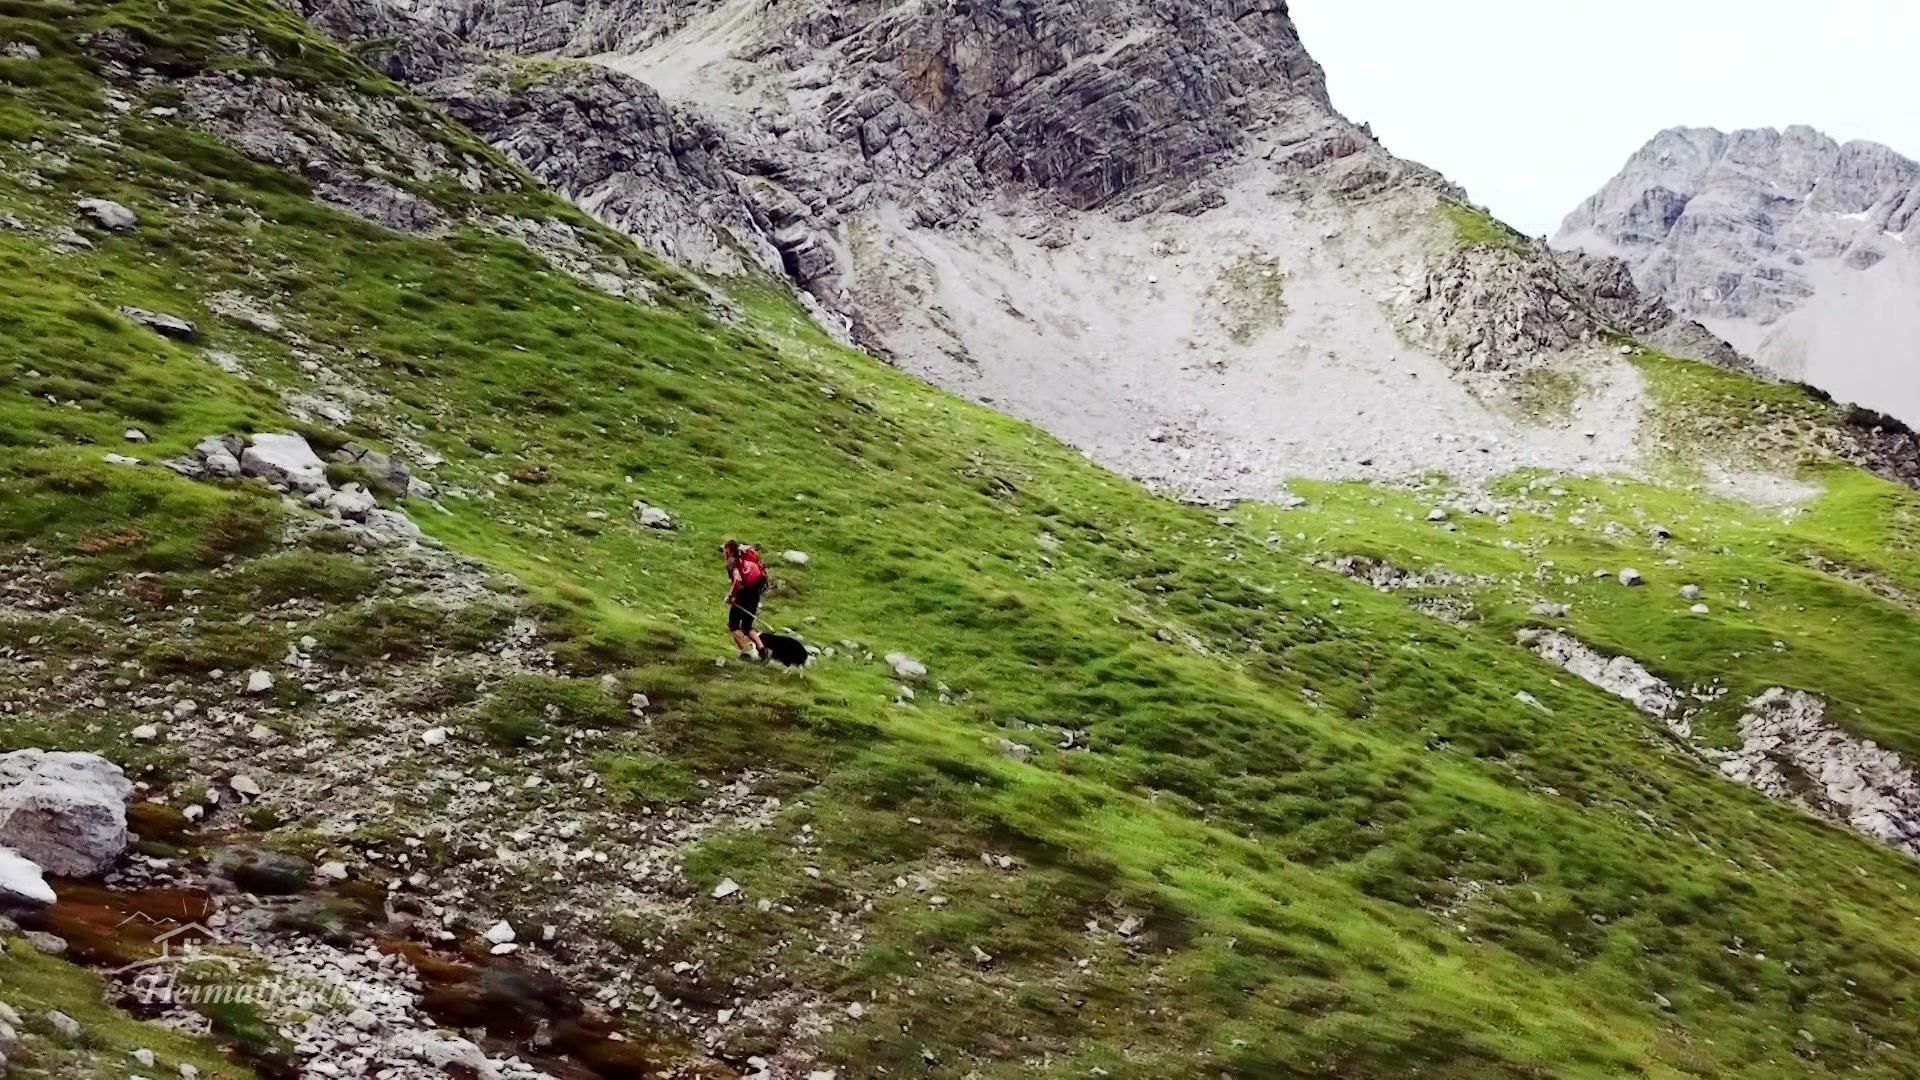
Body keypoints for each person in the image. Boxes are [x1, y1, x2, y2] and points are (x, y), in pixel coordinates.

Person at [722, 539, 769, 661]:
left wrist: (731, 596)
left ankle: (746, 652)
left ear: (728, 550)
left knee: (734, 625)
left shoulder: (732, 562)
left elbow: (738, 581)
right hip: (755, 592)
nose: (724, 553)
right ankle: (762, 649)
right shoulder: (746, 559)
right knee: (747, 626)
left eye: (724, 550)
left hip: (744, 593)